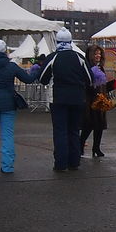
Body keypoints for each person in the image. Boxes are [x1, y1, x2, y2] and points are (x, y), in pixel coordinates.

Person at [0, 39, 41, 174]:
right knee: (7, 135)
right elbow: (28, 79)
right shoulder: (12, 66)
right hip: (8, 104)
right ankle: (7, 166)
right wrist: (37, 70)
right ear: (5, 51)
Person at [38, 28, 92, 171]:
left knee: (60, 131)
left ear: (57, 42)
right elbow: (90, 78)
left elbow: (42, 78)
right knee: (74, 130)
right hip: (77, 99)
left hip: (58, 99)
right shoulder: (80, 57)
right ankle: (74, 162)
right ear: (70, 41)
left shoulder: (53, 57)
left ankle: (60, 164)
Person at [80, 44, 113, 158]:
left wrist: (114, 84)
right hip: (90, 100)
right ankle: (80, 145)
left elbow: (103, 86)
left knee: (99, 125)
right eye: (95, 53)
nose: (98, 55)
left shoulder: (100, 67)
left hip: (101, 100)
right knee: (88, 125)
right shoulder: (87, 67)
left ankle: (96, 148)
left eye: (99, 53)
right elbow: (85, 85)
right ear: (90, 55)